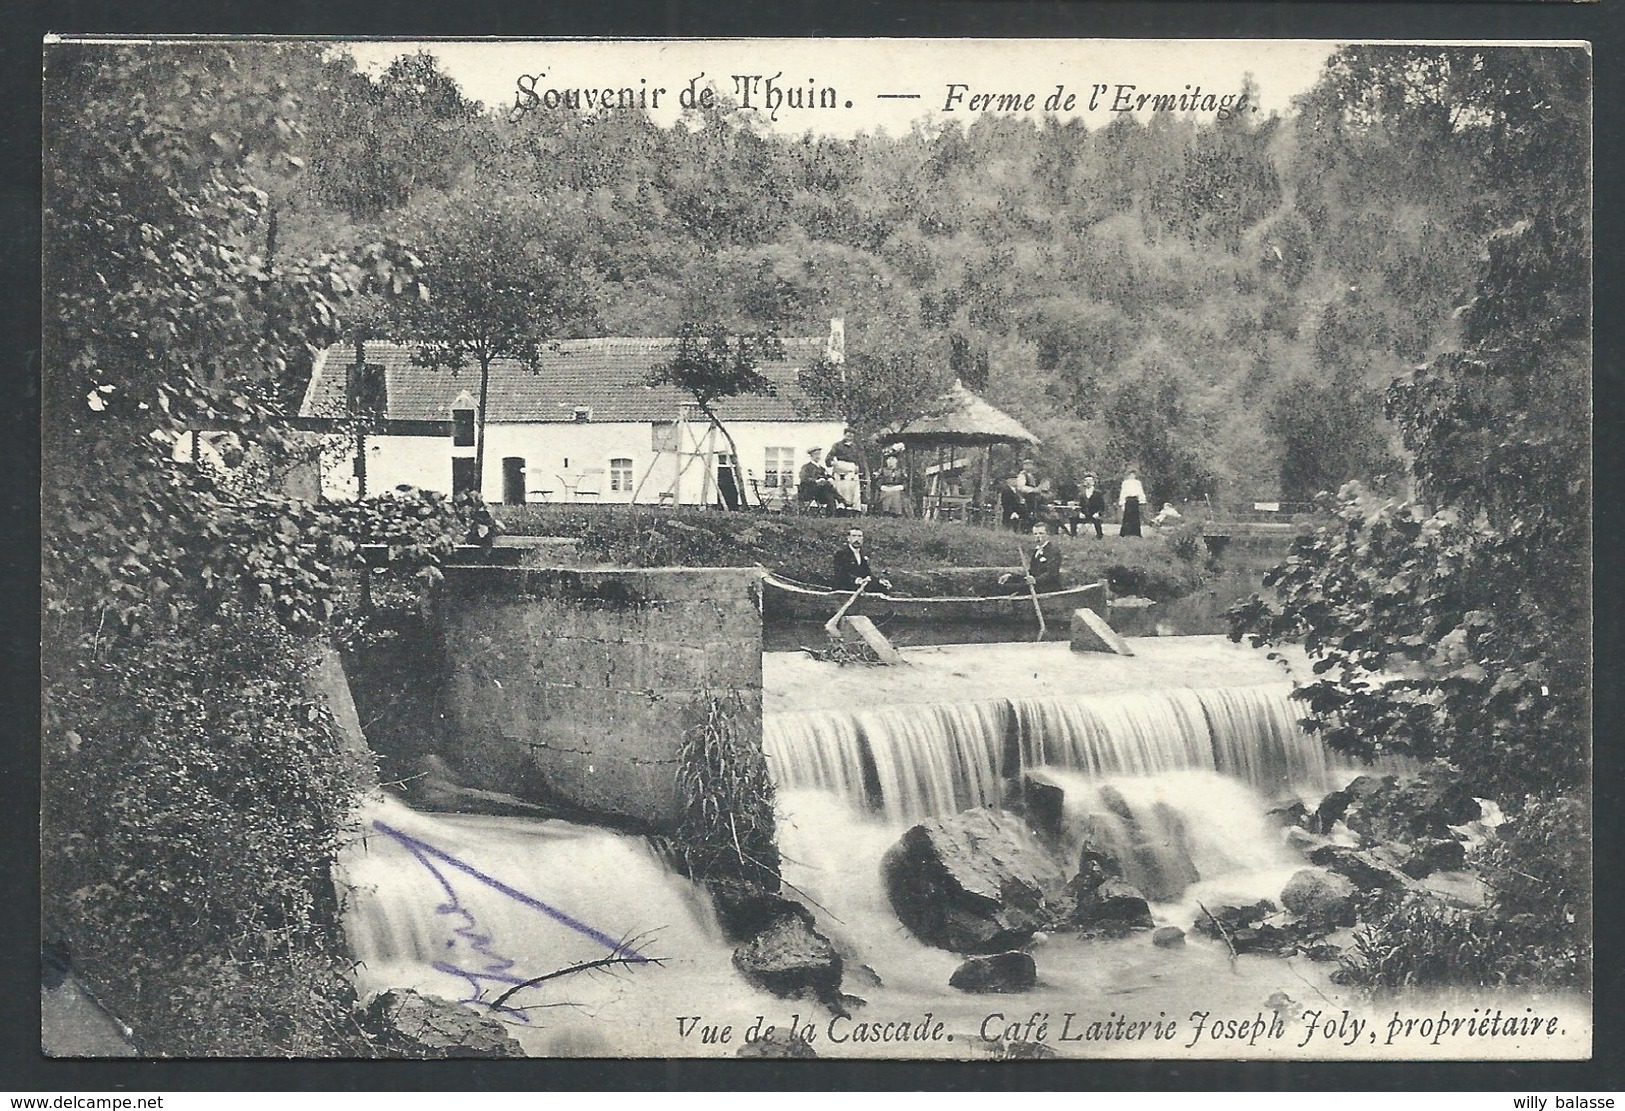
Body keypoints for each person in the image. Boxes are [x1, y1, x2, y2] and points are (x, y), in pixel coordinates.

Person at [1001, 523, 1063, 593]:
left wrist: (1035, 580)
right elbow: (1031, 572)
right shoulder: (1037, 550)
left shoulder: (1053, 551)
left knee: (1009, 588)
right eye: (1035, 534)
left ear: (1048, 535)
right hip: (1036, 585)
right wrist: (1012, 576)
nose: (1038, 536)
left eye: (1041, 533)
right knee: (1006, 584)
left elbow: (1052, 574)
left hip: (1047, 587)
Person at [833, 527, 891, 592]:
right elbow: (841, 574)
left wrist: (880, 581)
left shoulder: (862, 554)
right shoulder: (841, 554)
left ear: (862, 539)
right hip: (845, 588)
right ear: (848, 538)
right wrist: (857, 580)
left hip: (860, 587)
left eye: (859, 536)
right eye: (854, 536)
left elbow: (867, 573)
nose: (857, 539)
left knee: (883, 588)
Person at [826, 428, 866, 513]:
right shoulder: (837, 445)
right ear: (844, 435)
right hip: (840, 470)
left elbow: (861, 459)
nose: (849, 437)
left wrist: (860, 469)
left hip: (852, 470)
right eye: (848, 435)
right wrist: (833, 463)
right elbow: (829, 458)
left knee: (853, 491)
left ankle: (853, 510)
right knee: (841, 489)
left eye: (851, 435)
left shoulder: (857, 447)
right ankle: (841, 509)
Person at [798, 447, 839, 513]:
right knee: (829, 489)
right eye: (816, 454)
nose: (818, 456)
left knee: (829, 492)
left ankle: (832, 513)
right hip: (809, 491)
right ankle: (841, 502)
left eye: (819, 454)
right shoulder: (806, 467)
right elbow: (803, 478)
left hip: (821, 492)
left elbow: (827, 475)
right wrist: (816, 481)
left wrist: (830, 478)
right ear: (811, 456)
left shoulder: (821, 468)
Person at [1013, 457, 1051, 526]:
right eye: (1026, 464)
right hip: (1025, 498)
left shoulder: (1035, 475)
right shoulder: (1022, 475)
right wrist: (1034, 490)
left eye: (1029, 464)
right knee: (1028, 514)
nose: (1028, 466)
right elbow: (1021, 487)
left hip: (1036, 499)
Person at [874, 453, 909, 517]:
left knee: (896, 494)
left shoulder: (900, 471)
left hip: (897, 488)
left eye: (893, 459)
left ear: (896, 461)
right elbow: (878, 481)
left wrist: (901, 486)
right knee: (887, 493)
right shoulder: (883, 470)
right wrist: (882, 487)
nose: (890, 461)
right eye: (888, 459)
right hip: (886, 488)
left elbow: (905, 481)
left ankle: (897, 512)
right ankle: (885, 511)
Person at [1078, 473, 1107, 539]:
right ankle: (1073, 535)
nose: (1088, 482)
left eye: (1090, 481)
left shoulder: (1098, 493)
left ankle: (1099, 535)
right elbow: (1079, 505)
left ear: (1093, 482)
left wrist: (1098, 513)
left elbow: (1102, 506)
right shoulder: (1081, 494)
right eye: (1086, 481)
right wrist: (1080, 513)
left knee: (1097, 520)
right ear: (1084, 482)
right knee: (1072, 518)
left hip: (1094, 514)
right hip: (1084, 514)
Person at [1119, 469, 1146, 538]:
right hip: (1128, 500)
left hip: (1135, 500)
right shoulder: (1125, 483)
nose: (1132, 476)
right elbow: (1123, 492)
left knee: (1135, 516)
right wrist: (1122, 502)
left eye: (1133, 475)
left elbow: (1140, 491)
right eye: (1130, 474)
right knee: (1127, 516)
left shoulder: (1138, 483)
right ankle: (1125, 533)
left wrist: (1142, 500)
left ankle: (1136, 532)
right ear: (1128, 475)